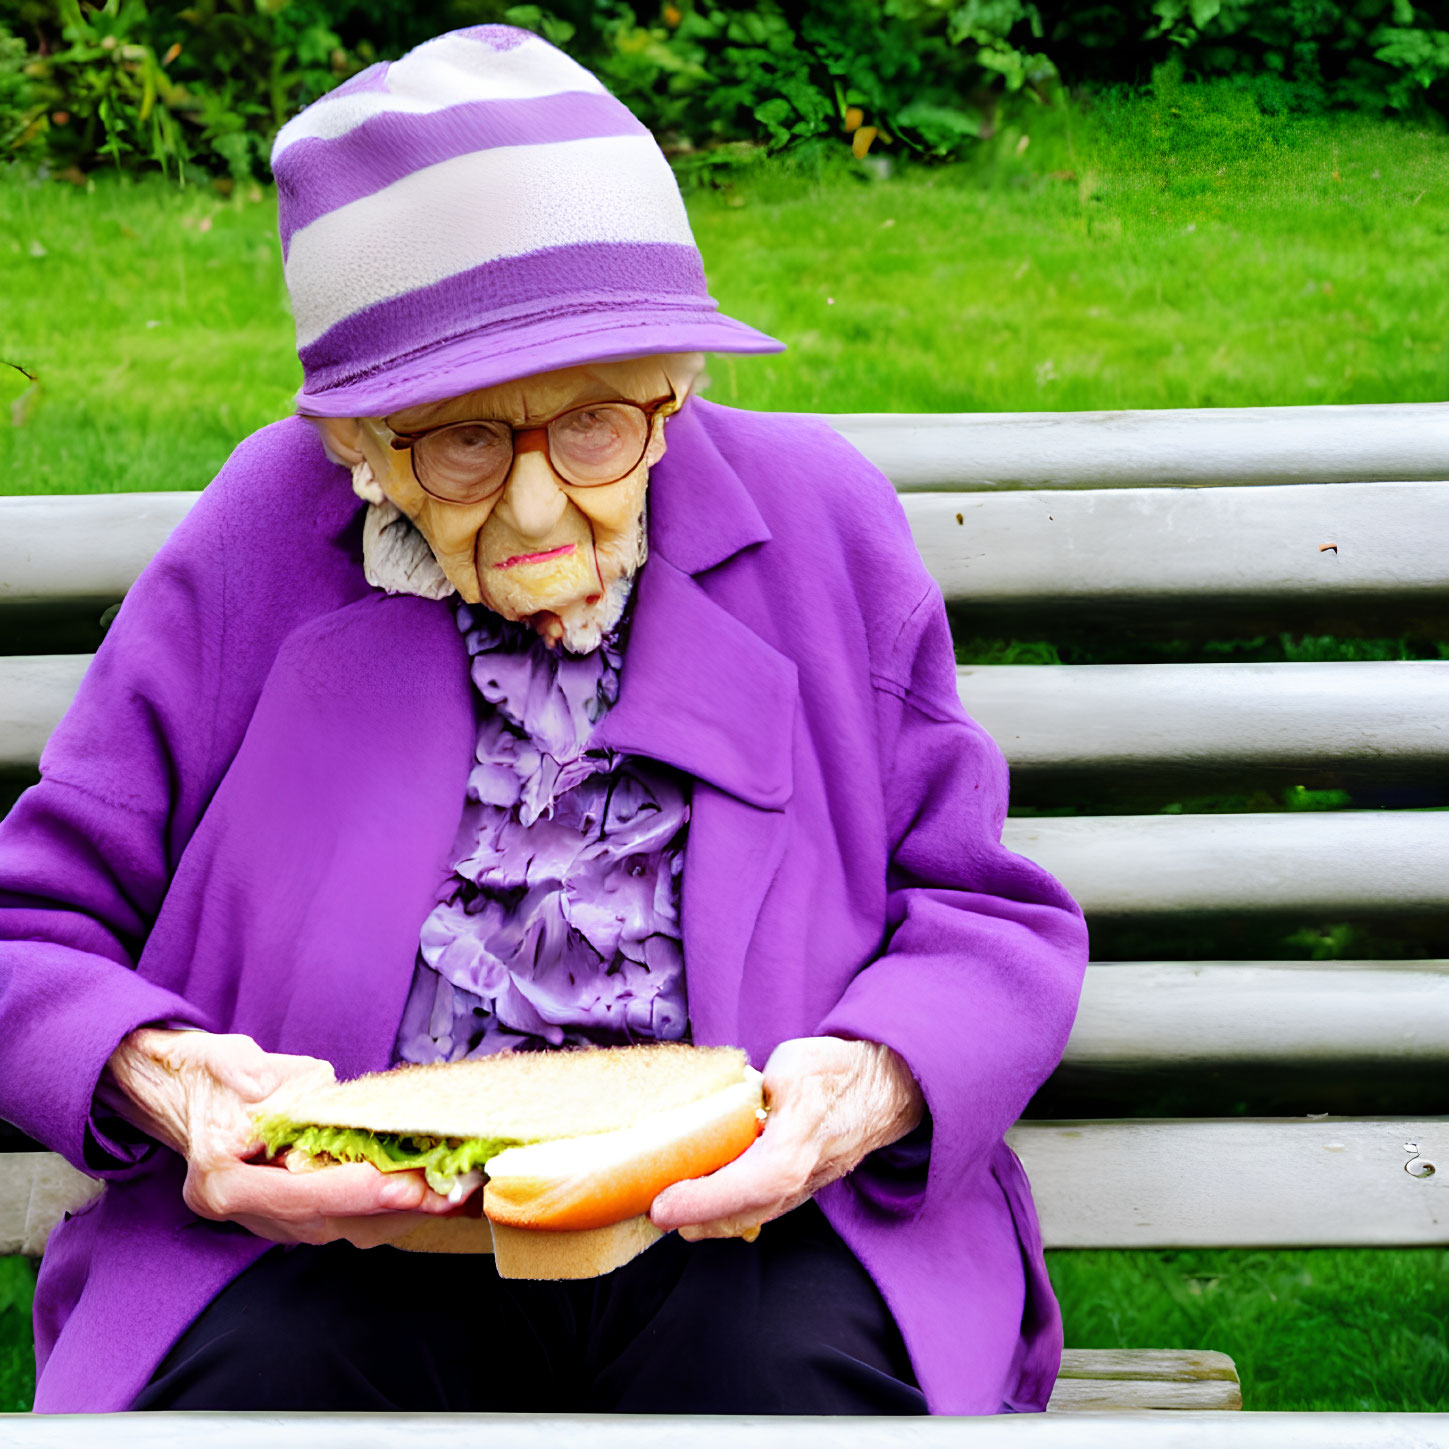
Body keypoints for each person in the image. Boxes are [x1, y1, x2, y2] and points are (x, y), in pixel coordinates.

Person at [0, 26, 1088, 1415]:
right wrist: (169, 1080)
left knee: (791, 1391)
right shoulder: (261, 542)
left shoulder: (817, 523)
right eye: (455, 441)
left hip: (760, 1230)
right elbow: (28, 930)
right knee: (249, 1406)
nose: (530, 510)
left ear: (676, 385)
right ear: (352, 440)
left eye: (592, 426)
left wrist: (858, 1087)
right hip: (321, 1239)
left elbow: (983, 914)